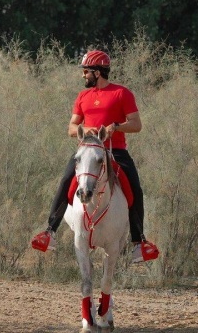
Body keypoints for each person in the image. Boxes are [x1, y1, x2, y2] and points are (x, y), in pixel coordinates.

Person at [31, 50, 159, 263]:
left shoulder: (122, 93)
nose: (83, 76)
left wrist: (116, 127)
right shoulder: (83, 96)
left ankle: (139, 242)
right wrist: (88, 129)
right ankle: (49, 232)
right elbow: (72, 128)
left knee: (135, 188)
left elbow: (136, 125)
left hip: (115, 150)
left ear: (98, 72)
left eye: (86, 72)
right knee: (65, 182)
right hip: (87, 150)